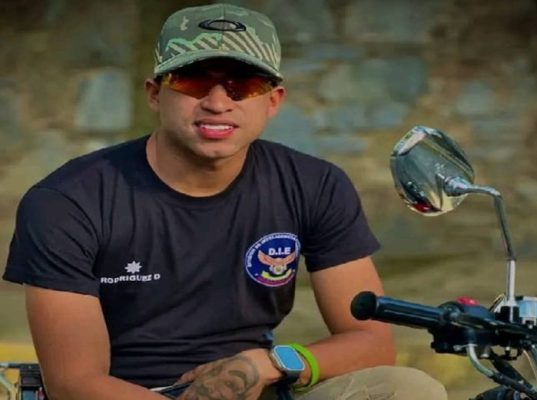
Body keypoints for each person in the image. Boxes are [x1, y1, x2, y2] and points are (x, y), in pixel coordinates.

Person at [3, 3, 447, 400]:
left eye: (243, 84)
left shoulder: (315, 184)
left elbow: (371, 342)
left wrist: (270, 363)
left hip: (258, 384)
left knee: (411, 389)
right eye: (194, 80)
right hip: (127, 392)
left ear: (273, 101)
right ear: (155, 93)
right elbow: (75, 382)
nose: (217, 102)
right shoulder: (67, 201)